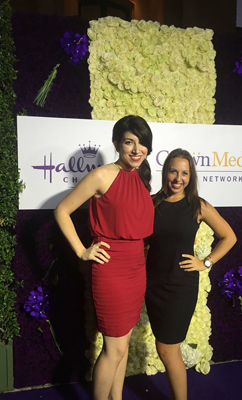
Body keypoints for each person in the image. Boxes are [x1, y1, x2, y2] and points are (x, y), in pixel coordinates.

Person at [54, 115, 154, 400]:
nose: (136, 150)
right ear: (117, 144)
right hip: (111, 270)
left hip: (136, 268)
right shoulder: (101, 175)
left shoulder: (140, 176)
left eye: (142, 143)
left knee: (122, 346)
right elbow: (62, 211)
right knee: (114, 349)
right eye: (129, 142)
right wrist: (83, 250)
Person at [145, 148, 237, 400]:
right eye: (174, 171)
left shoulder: (197, 206)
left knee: (167, 348)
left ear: (191, 176)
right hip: (153, 285)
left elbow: (229, 237)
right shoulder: (152, 203)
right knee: (163, 347)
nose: (178, 178)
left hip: (180, 287)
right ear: (165, 173)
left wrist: (206, 262)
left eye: (184, 173)